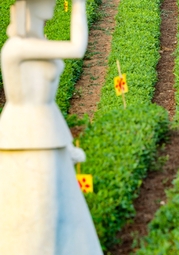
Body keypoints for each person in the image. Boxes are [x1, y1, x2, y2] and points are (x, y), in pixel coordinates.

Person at [0, 0, 103, 254]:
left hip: (48, 133)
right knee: (40, 217)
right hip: (26, 137)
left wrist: (64, 146)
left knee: (63, 214)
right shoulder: (17, 48)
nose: (51, 3)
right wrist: (79, 5)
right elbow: (77, 48)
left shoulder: (39, 41)